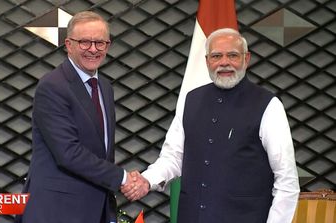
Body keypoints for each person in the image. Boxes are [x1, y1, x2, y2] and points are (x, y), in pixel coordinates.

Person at [122, 28, 300, 222]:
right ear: (207, 61)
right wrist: (147, 180)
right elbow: (173, 157)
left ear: (246, 59)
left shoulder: (269, 105)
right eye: (216, 56)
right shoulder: (191, 100)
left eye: (232, 55)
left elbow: (286, 180)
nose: (224, 62)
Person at [18, 11, 136, 223]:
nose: (93, 49)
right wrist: (123, 178)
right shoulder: (52, 86)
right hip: (58, 211)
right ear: (68, 44)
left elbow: (101, 150)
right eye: (84, 42)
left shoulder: (105, 87)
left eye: (100, 42)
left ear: (108, 46)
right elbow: (68, 153)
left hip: (97, 207)